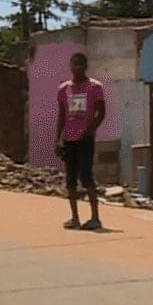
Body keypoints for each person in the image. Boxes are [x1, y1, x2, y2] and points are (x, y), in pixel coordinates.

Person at [55, 52, 107, 231]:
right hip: (68, 139)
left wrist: (90, 130)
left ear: (85, 66)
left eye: (80, 64)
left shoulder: (95, 87)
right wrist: (57, 139)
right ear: (70, 66)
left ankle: (95, 218)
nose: (77, 67)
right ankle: (75, 217)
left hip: (85, 138)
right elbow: (62, 115)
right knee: (70, 179)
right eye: (74, 64)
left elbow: (101, 112)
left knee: (86, 176)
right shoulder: (64, 89)